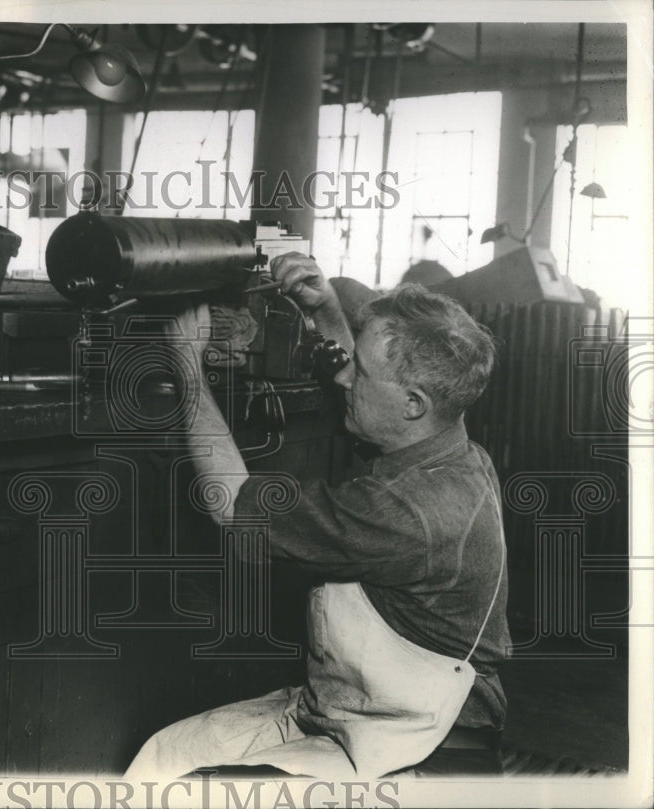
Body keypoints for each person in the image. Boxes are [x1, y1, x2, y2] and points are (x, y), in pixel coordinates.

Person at [124, 253, 511, 780]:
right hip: (354, 710)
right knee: (165, 754)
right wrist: (327, 308)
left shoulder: (407, 512)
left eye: (360, 369)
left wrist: (188, 367)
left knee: (197, 788)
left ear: (414, 403)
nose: (342, 375)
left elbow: (231, 504)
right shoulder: (449, 451)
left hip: (421, 739)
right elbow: (377, 391)